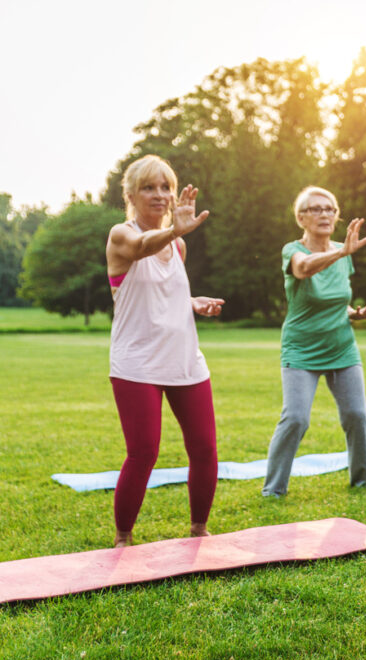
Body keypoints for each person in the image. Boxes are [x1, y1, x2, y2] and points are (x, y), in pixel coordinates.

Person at [105, 154, 225, 548]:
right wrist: (174, 229)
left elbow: (163, 292)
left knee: (205, 449)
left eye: (165, 187)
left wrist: (192, 302)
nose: (159, 194)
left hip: (185, 359)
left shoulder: (179, 247)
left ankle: (199, 530)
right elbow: (140, 249)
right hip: (137, 364)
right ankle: (124, 539)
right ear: (131, 194)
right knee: (143, 453)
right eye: (149, 187)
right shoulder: (121, 235)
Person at [262, 186, 366, 497]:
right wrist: (340, 252)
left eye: (329, 208)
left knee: (357, 415)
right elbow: (303, 270)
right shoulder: (293, 250)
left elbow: (336, 300)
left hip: (342, 345)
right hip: (301, 348)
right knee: (296, 418)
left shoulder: (344, 252)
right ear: (301, 218)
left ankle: (363, 481)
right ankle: (273, 489)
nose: (324, 213)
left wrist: (356, 313)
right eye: (315, 209)